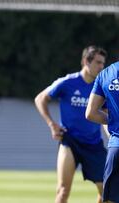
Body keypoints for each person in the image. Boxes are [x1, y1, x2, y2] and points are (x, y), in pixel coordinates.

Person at [34, 46, 108, 203]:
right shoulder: (68, 82)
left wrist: (113, 137)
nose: (101, 67)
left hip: (94, 144)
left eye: (103, 63)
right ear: (85, 62)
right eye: (98, 62)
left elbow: (106, 117)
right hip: (70, 142)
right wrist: (52, 124)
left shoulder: (102, 87)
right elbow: (40, 98)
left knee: (107, 192)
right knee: (62, 191)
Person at [86, 61, 119, 203]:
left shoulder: (105, 74)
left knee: (110, 199)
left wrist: (113, 122)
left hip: (116, 147)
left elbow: (90, 113)